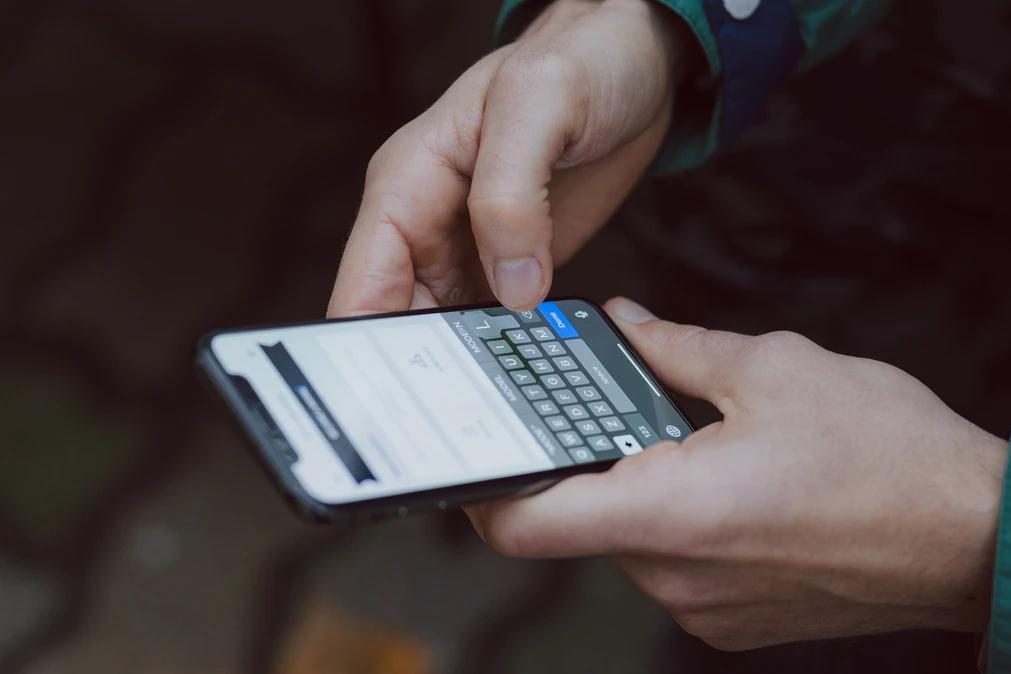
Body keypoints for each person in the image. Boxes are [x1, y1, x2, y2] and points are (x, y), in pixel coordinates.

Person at [327, 0, 1011, 670]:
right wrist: (651, 18)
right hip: (890, 151)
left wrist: (973, 541)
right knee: (753, 531)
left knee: (816, 587)